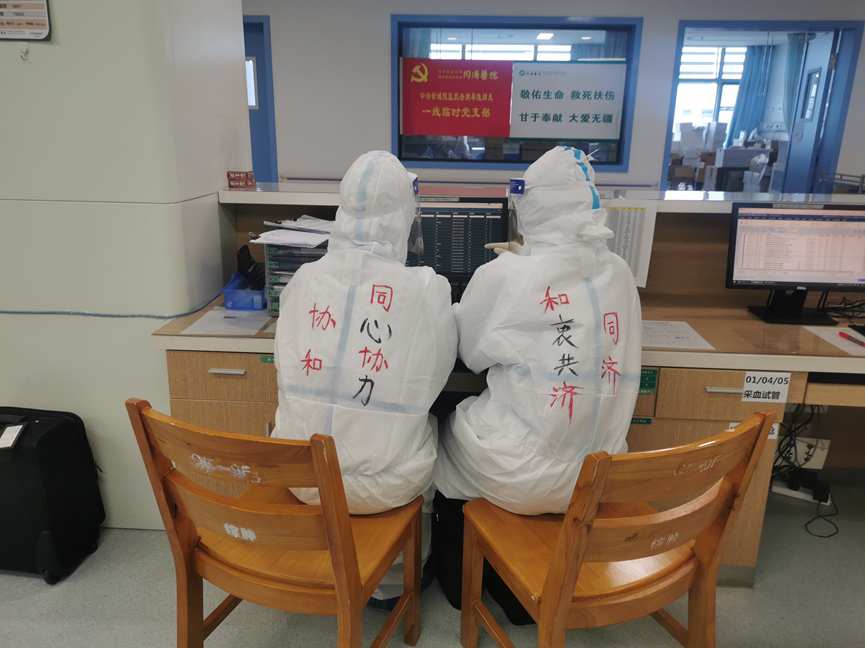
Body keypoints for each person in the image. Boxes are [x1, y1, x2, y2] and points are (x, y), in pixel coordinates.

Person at [432, 146, 642, 618]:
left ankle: (466, 582)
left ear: (530, 206)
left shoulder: (507, 274)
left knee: (443, 434)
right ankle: (518, 593)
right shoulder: (620, 271)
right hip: (599, 472)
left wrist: (508, 270)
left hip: (526, 475)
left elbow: (470, 352)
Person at [272, 150, 458, 604]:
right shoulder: (426, 288)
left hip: (303, 477)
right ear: (404, 218)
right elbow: (438, 373)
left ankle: (329, 570)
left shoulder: (303, 279)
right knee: (437, 428)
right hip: (385, 487)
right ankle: (392, 585)